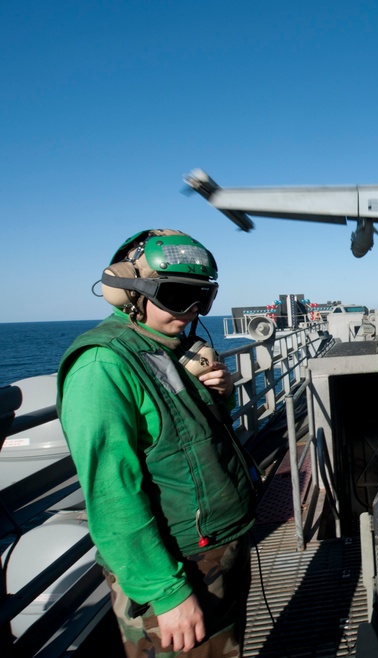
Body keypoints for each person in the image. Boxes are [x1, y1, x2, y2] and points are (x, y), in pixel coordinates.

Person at [57, 229, 257, 658]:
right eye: (175, 296)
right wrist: (166, 593)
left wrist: (218, 395)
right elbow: (111, 494)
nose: (190, 312)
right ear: (127, 292)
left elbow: (187, 439)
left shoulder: (168, 348)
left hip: (216, 552)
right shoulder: (102, 366)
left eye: (202, 298)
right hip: (176, 567)